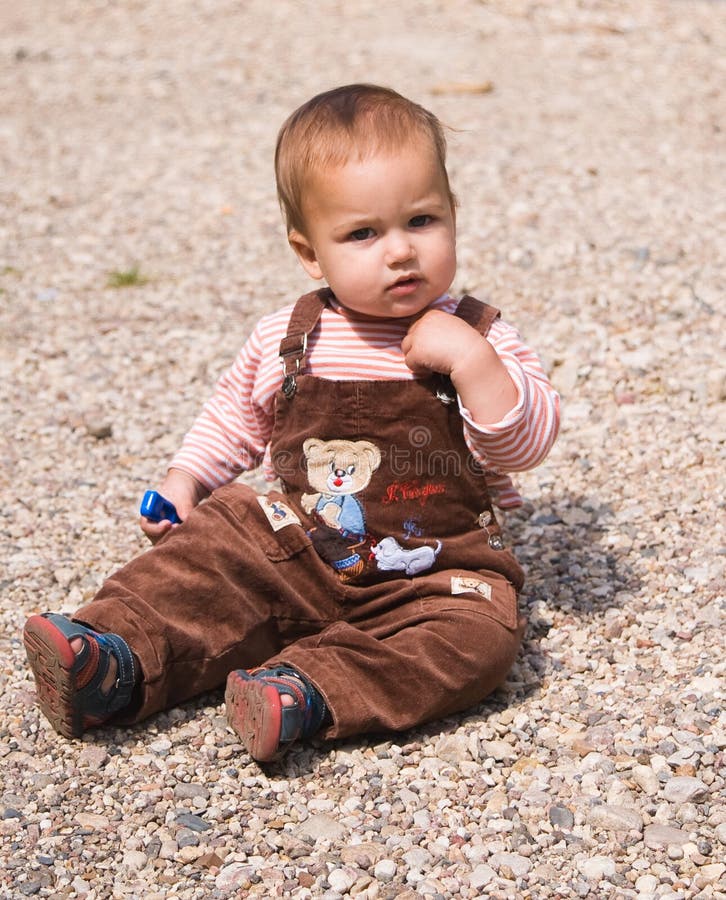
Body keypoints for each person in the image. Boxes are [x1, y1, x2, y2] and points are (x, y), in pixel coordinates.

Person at [23, 84, 560, 763]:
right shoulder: (290, 337)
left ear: (454, 215)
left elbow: (529, 441)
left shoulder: (478, 334)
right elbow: (235, 416)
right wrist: (187, 478)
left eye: (421, 221)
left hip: (432, 573)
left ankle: (304, 690)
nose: (399, 251)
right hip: (298, 549)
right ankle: (112, 655)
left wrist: (473, 365)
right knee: (215, 545)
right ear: (310, 253)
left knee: (479, 639)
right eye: (363, 234)